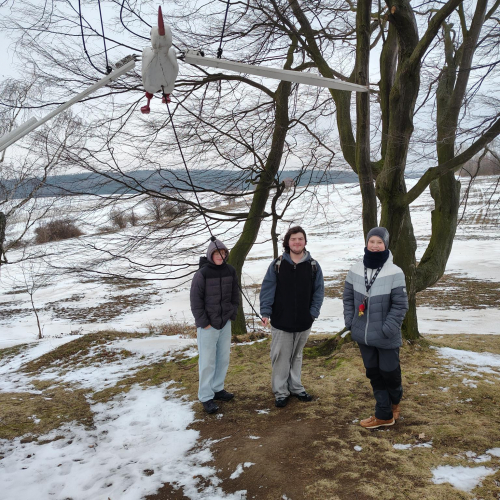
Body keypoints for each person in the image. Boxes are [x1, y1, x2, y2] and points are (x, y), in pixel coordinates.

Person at [343, 227, 408, 429]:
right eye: (372, 241)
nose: (375, 245)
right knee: (374, 374)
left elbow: (400, 305)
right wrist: (350, 322)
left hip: (386, 335)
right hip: (363, 335)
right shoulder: (355, 270)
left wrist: (388, 329)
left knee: (390, 373)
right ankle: (384, 414)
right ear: (367, 243)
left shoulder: (395, 272)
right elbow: (348, 299)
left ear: (385, 245)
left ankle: (395, 401)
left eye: (379, 242)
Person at [259, 226, 324, 408]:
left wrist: (313, 313)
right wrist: (266, 312)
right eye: (293, 239)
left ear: (305, 241)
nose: (297, 242)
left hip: (304, 321)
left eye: (300, 239)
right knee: (281, 356)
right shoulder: (278, 265)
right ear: (287, 242)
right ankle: (281, 392)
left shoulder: (313, 266)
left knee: (296, 356)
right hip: (281, 320)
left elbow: (319, 292)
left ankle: (296, 387)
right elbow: (267, 289)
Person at [190, 238, 239, 414]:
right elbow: (195, 301)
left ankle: (218, 389)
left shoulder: (230, 270)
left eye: (223, 253)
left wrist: (231, 313)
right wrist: (204, 323)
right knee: (207, 361)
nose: (220, 256)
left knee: (223, 358)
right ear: (211, 254)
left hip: (225, 322)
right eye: (217, 253)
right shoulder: (202, 274)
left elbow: (235, 294)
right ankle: (205, 396)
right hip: (208, 326)